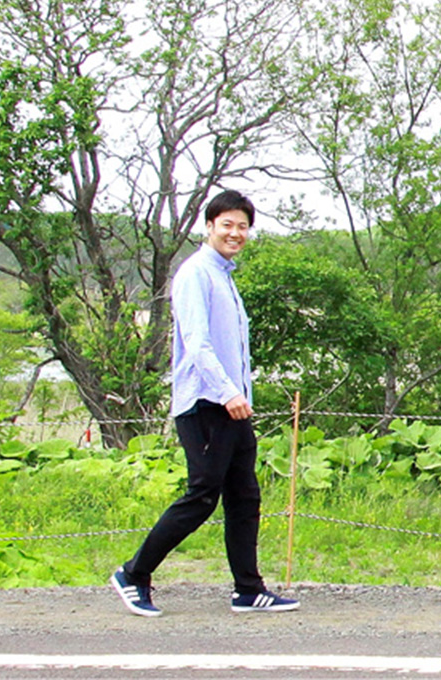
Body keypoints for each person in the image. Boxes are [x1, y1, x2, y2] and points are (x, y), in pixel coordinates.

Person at [107, 190, 299, 616]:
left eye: (243, 226)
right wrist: (227, 391)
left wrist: (239, 395)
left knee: (244, 496)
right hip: (207, 403)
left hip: (233, 405)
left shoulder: (224, 276)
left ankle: (248, 589)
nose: (235, 232)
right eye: (227, 224)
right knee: (202, 496)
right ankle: (133, 573)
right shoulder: (196, 273)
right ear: (209, 226)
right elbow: (197, 343)